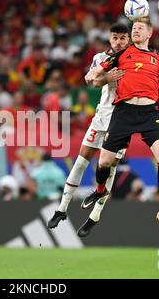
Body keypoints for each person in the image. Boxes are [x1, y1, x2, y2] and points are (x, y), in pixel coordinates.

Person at [80, 17, 159, 235]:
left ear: (149, 33)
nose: (136, 31)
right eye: (134, 28)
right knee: (104, 162)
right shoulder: (121, 55)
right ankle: (100, 190)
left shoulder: (157, 60)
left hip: (149, 113)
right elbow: (97, 71)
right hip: (123, 112)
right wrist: (91, 74)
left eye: (140, 28)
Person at [47, 23, 130, 234]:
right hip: (101, 115)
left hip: (122, 119)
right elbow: (92, 81)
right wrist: (106, 78)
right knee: (82, 158)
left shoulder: (135, 59)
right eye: (115, 38)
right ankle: (62, 208)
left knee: (109, 166)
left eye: (123, 37)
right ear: (110, 39)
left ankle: (95, 215)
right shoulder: (100, 57)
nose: (119, 41)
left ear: (128, 39)